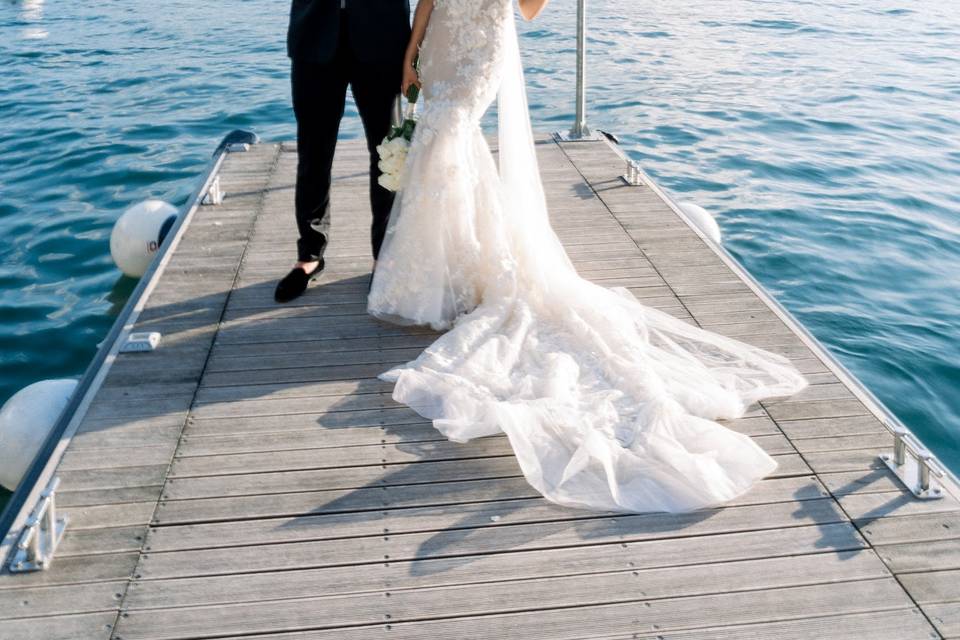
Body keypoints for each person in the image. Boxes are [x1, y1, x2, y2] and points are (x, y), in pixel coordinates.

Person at [367, 0, 808, 514]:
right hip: (441, 44)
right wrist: (411, 54)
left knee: (451, 136)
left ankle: (467, 269)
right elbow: (427, 2)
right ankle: (450, 263)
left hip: (481, 48)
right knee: (439, 144)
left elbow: (529, 11)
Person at [276, 0, 412, 303]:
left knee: (388, 155)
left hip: (382, 36)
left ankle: (385, 256)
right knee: (313, 153)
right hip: (313, 34)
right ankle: (310, 254)